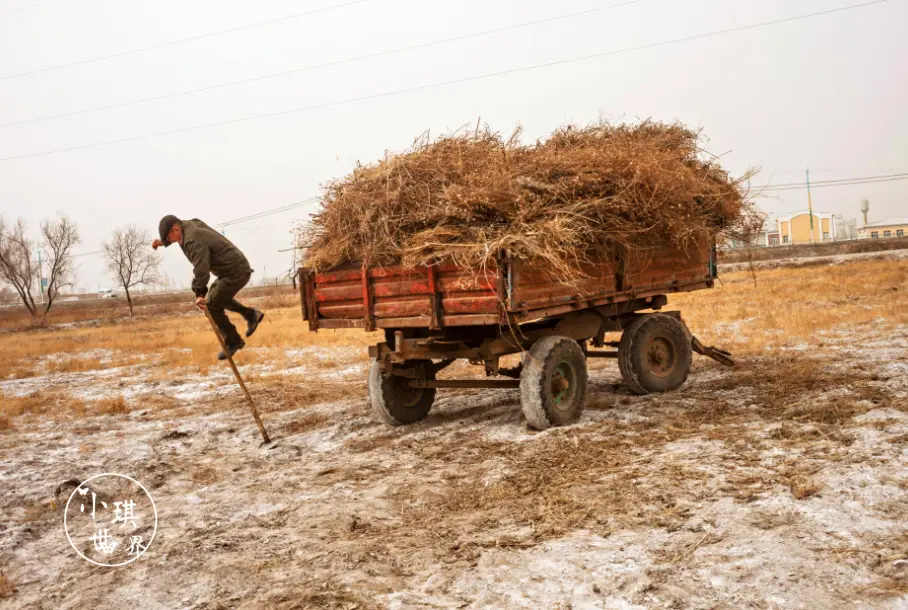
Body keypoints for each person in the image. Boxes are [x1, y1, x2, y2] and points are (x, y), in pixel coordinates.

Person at [152, 215, 264, 360]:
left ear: (175, 229)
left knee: (211, 305)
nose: (170, 240)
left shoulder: (192, 241)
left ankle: (234, 340)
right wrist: (163, 242)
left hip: (235, 272)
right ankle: (250, 315)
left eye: (169, 236)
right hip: (233, 268)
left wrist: (199, 293)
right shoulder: (188, 225)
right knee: (218, 298)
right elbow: (187, 231)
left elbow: (201, 268)